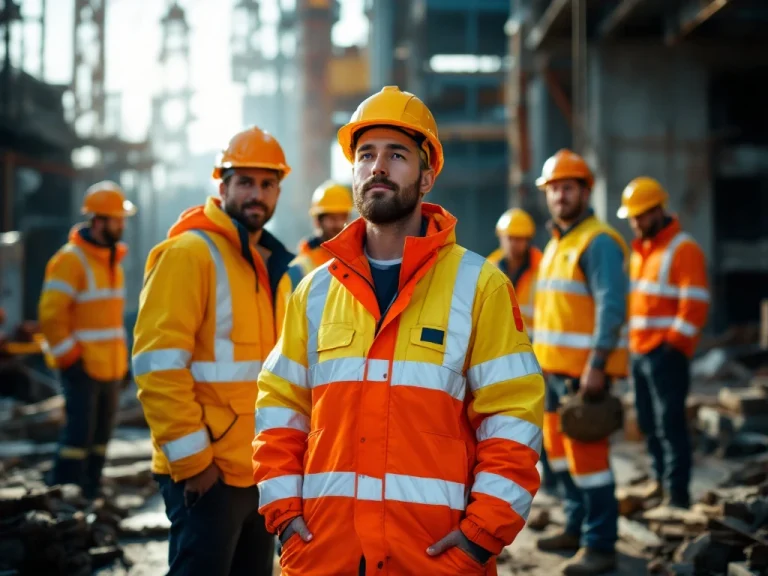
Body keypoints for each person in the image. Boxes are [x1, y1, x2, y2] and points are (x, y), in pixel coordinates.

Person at [252, 85, 545, 576]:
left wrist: (480, 537)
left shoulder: (479, 286)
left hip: (434, 561)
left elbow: (513, 419)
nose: (378, 167)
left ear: (427, 176)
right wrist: (284, 517)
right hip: (326, 556)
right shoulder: (315, 292)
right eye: (366, 154)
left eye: (397, 155)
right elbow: (280, 408)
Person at [132, 126, 298, 576]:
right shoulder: (189, 254)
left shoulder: (273, 267)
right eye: (245, 182)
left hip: (259, 471)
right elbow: (157, 366)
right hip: (208, 476)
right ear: (222, 187)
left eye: (267, 184)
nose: (256, 194)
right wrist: (194, 465)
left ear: (278, 191)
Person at [532, 149, 628, 575]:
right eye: (553, 188)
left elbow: (611, 306)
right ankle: (575, 527)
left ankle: (600, 545)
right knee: (560, 458)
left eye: (568, 187)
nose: (560, 196)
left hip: (583, 375)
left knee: (589, 463)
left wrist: (597, 364)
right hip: (553, 372)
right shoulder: (559, 242)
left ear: (586, 191)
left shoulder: (598, 241)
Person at [39, 181, 136, 499]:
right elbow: (51, 316)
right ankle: (63, 496)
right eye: (116, 220)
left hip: (109, 369)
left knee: (100, 440)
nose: (121, 226)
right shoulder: (71, 260)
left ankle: (90, 495)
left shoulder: (112, 262)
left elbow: (110, 323)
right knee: (77, 438)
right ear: (97, 221)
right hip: (81, 367)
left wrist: (122, 365)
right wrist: (70, 359)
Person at [618, 176, 709, 509]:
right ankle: (659, 482)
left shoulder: (683, 248)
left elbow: (695, 303)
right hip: (641, 352)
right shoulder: (641, 252)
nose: (635, 222)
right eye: (632, 217)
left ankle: (678, 495)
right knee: (647, 422)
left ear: (658, 210)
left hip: (666, 355)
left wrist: (673, 345)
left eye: (641, 215)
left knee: (670, 425)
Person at [292, 180, 353, 276]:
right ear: (317, 221)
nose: (339, 224)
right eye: (332, 218)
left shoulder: (356, 256)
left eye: (343, 218)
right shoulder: (303, 263)